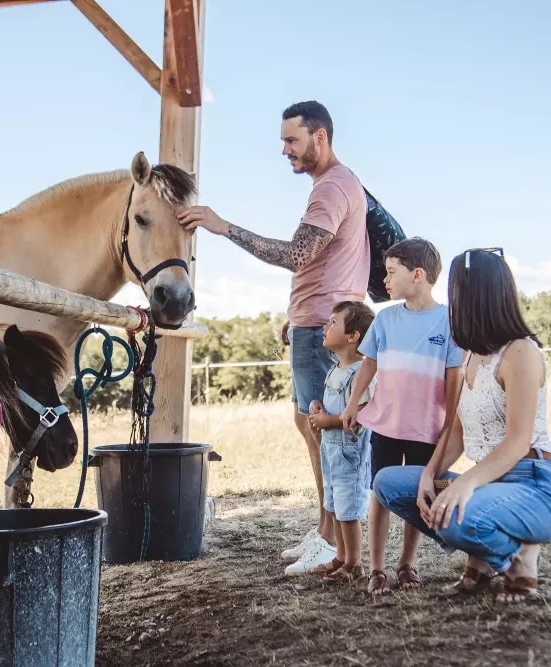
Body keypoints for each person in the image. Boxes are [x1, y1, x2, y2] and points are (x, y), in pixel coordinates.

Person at [177, 101, 370, 571]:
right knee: (310, 426)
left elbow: (296, 254)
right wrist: (299, 315)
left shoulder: (331, 188)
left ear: (319, 137)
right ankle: (325, 531)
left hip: (322, 324)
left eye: (292, 140)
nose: (284, 150)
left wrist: (224, 228)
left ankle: (333, 541)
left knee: (324, 432)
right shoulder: (336, 185)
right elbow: (323, 262)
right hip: (314, 320)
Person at [372, 248, 551, 602]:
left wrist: (462, 484)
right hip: (487, 482)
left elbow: (518, 441)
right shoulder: (470, 355)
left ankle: (520, 561)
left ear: (476, 297)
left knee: (456, 511)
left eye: (456, 292)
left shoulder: (520, 352)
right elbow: (458, 431)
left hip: (533, 486)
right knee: (388, 482)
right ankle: (480, 563)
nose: (451, 302)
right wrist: (431, 474)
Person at [340, 238, 464, 596]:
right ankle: (376, 569)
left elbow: (453, 377)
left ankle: (406, 563)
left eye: (392, 272)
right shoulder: (385, 320)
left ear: (419, 275)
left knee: (417, 496)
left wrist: (449, 422)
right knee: (379, 492)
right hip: (387, 425)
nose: (385, 280)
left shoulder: (449, 321)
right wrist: (352, 406)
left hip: (428, 429)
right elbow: (369, 365)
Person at [292, 300, 377, 579]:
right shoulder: (334, 368)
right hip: (331, 452)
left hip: (350, 455)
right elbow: (329, 403)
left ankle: (354, 562)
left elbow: (364, 413)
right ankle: (340, 556)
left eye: (333, 323)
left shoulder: (360, 374)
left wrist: (327, 421)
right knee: (335, 504)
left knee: (348, 509)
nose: (325, 328)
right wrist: (317, 404)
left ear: (353, 337)